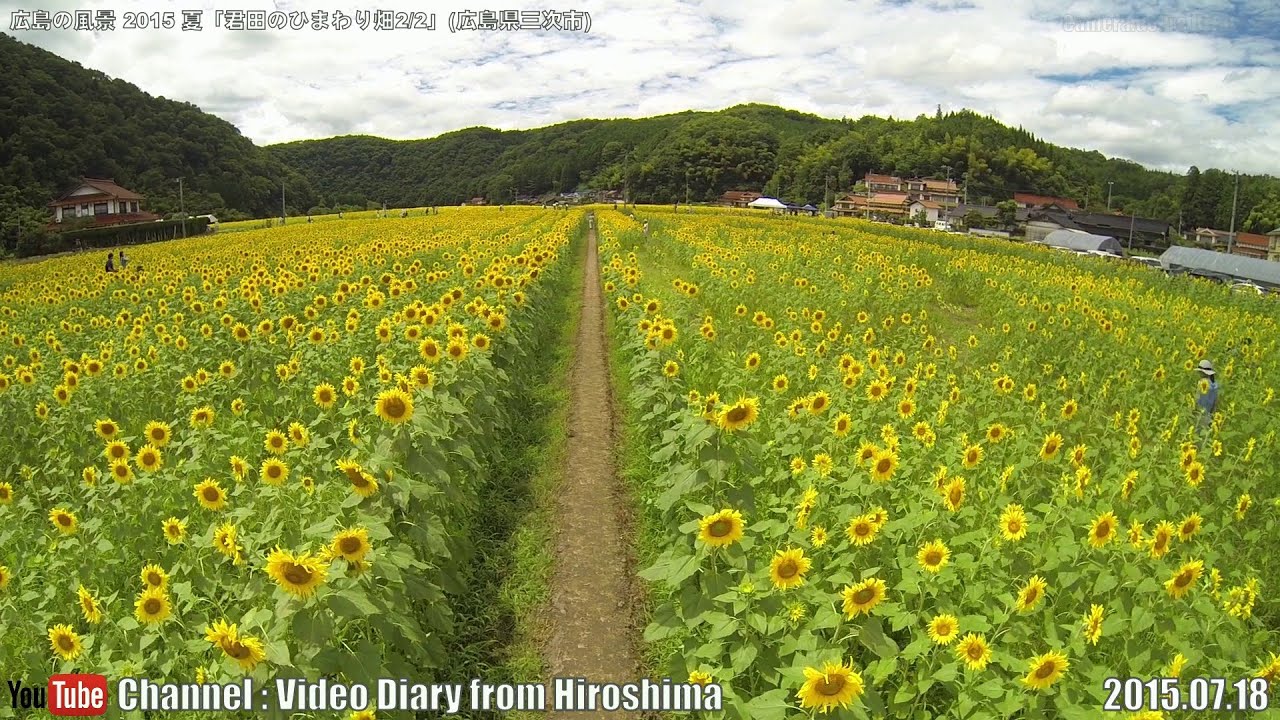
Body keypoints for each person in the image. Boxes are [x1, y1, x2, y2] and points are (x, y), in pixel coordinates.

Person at [1195, 359, 1219, 441]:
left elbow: (1197, 399)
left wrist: (1193, 410)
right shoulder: (1215, 385)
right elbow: (1215, 403)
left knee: (1197, 437)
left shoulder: (1201, 383)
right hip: (1209, 415)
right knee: (1204, 437)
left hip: (1200, 414)